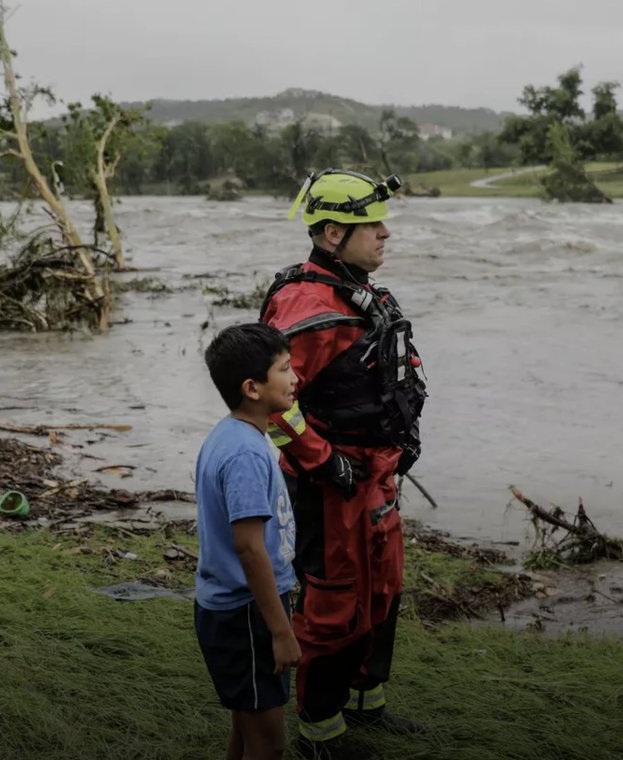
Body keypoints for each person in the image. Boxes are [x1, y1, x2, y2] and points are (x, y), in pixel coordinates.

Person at [259, 169, 428, 760]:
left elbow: (394, 364)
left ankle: (367, 703)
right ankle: (320, 729)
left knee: (384, 591)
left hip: (377, 474)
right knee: (335, 606)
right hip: (334, 485)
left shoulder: (361, 289)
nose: (385, 234)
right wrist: (323, 462)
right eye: (370, 225)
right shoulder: (307, 303)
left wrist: (404, 437)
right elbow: (271, 401)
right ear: (332, 232)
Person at [195, 323, 302, 760]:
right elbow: (250, 547)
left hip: (236, 610)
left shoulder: (233, 435)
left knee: (246, 727)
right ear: (252, 388)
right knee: (269, 744)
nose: (295, 378)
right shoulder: (245, 454)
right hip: (248, 616)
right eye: (285, 368)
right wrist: (281, 631)